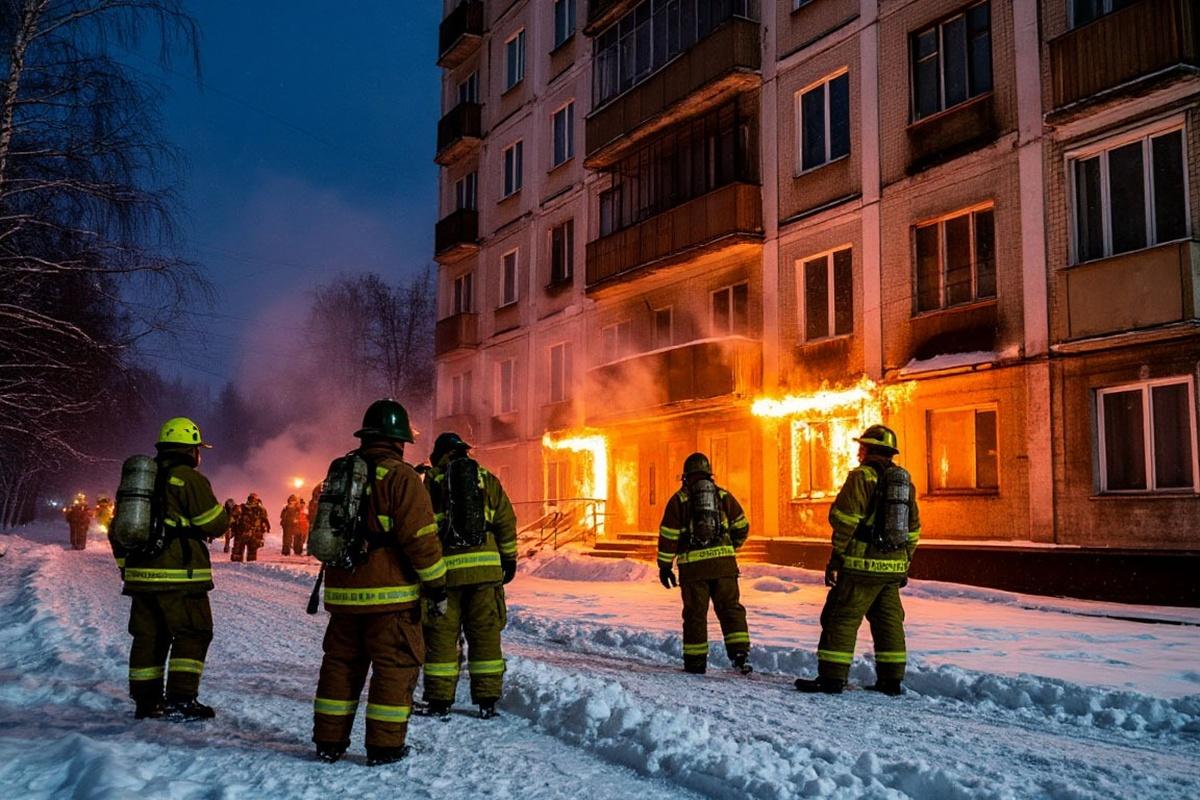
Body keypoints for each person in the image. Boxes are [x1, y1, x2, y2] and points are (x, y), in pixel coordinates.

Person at [312, 399, 446, 766]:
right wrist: (436, 586)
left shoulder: (340, 472)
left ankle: (328, 742)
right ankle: (384, 747)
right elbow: (421, 538)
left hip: (343, 596)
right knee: (394, 667)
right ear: (398, 440)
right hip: (391, 601)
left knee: (340, 667)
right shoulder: (401, 477)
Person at [794, 424, 921, 696]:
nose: (858, 451)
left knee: (841, 618)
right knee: (889, 623)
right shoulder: (904, 482)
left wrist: (837, 557)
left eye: (862, 446)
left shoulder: (861, 477)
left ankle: (831, 678)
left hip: (862, 566)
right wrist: (903, 562)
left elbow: (845, 521)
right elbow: (914, 529)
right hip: (892, 567)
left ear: (870, 449)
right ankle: (891, 681)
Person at [115, 417, 228, 721]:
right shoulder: (188, 479)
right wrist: (224, 514)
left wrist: (127, 568)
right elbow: (212, 523)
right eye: (197, 449)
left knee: (148, 637)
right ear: (191, 449)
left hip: (140, 576)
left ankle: (146, 702)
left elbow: (119, 530)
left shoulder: (141, 480)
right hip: (180, 576)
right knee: (193, 632)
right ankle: (181, 700)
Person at [419, 432, 517, 720]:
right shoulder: (485, 478)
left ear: (439, 455)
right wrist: (508, 558)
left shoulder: (433, 482)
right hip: (485, 571)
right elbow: (505, 520)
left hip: (445, 573)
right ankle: (487, 701)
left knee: (442, 637)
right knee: (485, 635)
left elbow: (422, 527)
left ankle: (439, 701)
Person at [656, 452, 752, 675]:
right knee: (730, 609)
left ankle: (695, 662)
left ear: (686, 476)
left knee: (695, 615)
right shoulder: (723, 496)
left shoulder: (679, 500)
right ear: (710, 474)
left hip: (693, 570)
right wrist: (729, 549)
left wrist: (665, 566)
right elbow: (742, 527)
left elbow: (668, 535)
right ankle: (740, 655)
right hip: (724, 568)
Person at [232, 493, 268, 562]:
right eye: (251, 499)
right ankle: (236, 569)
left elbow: (264, 521)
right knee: (237, 556)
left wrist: (262, 533)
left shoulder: (260, 509)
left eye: (253, 499)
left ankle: (249, 567)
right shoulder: (242, 507)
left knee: (251, 557)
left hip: (252, 534)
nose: (252, 501)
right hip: (242, 533)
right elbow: (234, 517)